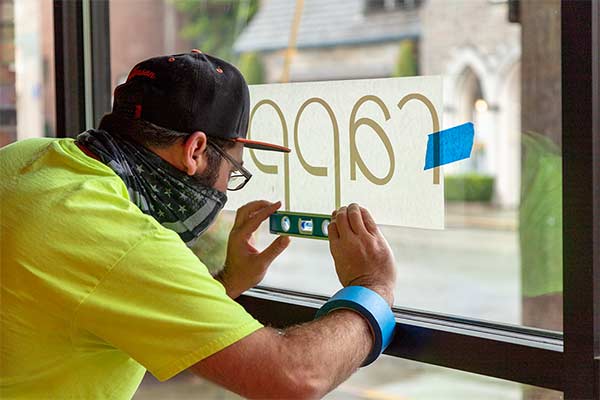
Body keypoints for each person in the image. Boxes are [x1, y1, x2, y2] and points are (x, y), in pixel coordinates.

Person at [0, 50, 397, 399]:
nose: (228, 185)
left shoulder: (27, 157)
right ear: (196, 150)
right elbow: (293, 377)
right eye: (234, 168)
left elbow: (121, 303)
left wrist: (228, 281)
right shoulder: (119, 239)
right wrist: (371, 286)